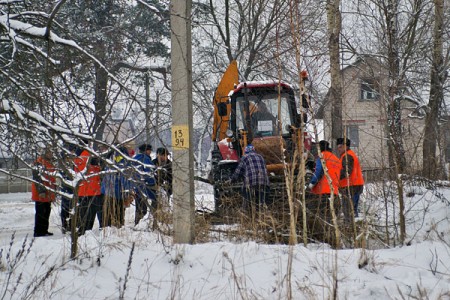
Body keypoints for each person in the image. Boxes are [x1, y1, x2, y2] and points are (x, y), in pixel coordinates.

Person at [306, 140, 341, 245]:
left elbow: (319, 172)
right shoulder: (335, 158)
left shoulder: (322, 156)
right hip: (334, 191)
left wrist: (311, 184)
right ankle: (333, 239)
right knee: (330, 218)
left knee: (320, 216)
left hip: (322, 191)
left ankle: (321, 240)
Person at [230, 144, 270, 210]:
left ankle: (245, 209)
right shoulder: (261, 157)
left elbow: (238, 172)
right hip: (264, 182)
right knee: (262, 202)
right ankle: (263, 210)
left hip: (251, 182)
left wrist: (232, 180)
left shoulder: (244, 157)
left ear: (246, 151)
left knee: (246, 196)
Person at [74, 142, 103, 235]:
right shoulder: (87, 154)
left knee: (83, 214)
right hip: (91, 190)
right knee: (89, 215)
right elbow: (95, 167)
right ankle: (84, 233)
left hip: (83, 190)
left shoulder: (78, 156)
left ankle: (83, 232)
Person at [101, 146, 132, 228]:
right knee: (119, 214)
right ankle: (118, 229)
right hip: (118, 192)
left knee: (108, 213)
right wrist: (127, 193)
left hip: (107, 191)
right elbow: (125, 178)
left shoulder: (109, 158)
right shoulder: (125, 161)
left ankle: (107, 229)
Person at [336, 137, 365, 222]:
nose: (338, 149)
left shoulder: (347, 156)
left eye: (340, 146)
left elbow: (347, 171)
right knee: (352, 210)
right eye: (338, 147)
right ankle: (353, 227)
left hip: (351, 186)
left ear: (346, 146)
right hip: (354, 185)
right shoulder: (349, 154)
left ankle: (350, 228)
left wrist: (335, 177)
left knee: (348, 210)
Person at [31, 147, 57, 237]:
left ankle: (44, 230)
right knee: (40, 213)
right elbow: (37, 178)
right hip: (40, 193)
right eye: (49, 153)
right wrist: (41, 191)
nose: (50, 154)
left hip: (49, 192)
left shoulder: (51, 163)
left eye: (51, 153)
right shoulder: (39, 163)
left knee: (47, 212)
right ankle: (38, 231)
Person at [132, 144, 157, 225]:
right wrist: (153, 182)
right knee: (153, 204)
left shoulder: (135, 159)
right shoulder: (145, 159)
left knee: (139, 206)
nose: (150, 152)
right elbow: (149, 173)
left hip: (136, 186)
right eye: (149, 150)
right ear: (146, 151)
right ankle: (147, 223)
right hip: (146, 186)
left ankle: (137, 223)